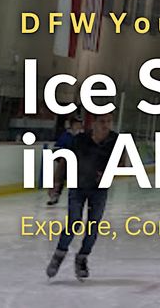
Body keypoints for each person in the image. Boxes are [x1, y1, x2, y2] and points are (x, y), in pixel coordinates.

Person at [46, 112, 119, 281]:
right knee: (74, 223)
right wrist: (56, 183)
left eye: (109, 121)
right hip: (77, 186)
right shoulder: (79, 140)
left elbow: (121, 163)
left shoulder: (115, 141)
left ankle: (82, 258)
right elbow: (64, 162)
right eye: (102, 121)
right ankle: (59, 255)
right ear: (93, 123)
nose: (106, 125)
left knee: (93, 227)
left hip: (99, 189)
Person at [47, 118, 83, 205]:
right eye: (76, 124)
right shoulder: (66, 135)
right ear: (72, 125)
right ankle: (55, 192)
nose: (78, 126)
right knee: (61, 168)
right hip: (67, 161)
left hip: (80, 161)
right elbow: (57, 147)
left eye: (79, 124)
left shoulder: (84, 136)